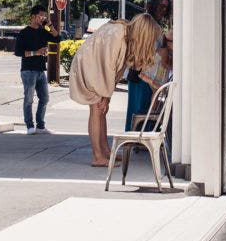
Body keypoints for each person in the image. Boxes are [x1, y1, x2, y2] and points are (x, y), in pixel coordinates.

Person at [68, 14, 159, 166]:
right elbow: (108, 66)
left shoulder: (125, 35)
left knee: (102, 110)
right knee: (97, 109)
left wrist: (107, 96)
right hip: (91, 67)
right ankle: (98, 156)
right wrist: (105, 95)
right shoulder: (118, 34)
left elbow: (116, 69)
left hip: (96, 68)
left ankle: (105, 152)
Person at [126, 0, 172, 129]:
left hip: (147, 73)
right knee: (138, 111)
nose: (163, 9)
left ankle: (138, 139)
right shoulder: (144, 21)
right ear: (153, 5)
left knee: (143, 110)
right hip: (141, 73)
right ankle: (135, 139)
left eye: (166, 7)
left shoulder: (154, 24)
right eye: (160, 5)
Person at [14, 5, 58, 135]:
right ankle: (29, 126)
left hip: (40, 70)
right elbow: (18, 52)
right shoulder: (24, 33)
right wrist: (36, 52)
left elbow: (57, 38)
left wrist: (50, 25)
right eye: (40, 16)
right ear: (33, 17)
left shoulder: (43, 31)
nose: (42, 18)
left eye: (44, 16)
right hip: (28, 70)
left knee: (44, 98)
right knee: (29, 99)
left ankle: (40, 126)